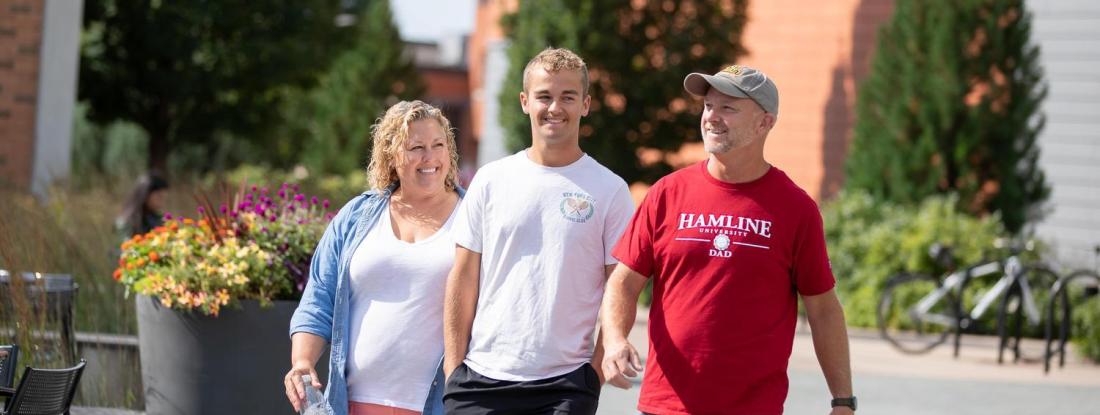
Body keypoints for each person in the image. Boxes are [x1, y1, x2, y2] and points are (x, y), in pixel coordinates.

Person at [600, 65, 856, 414]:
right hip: (666, 405)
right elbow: (623, 283)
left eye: (728, 108)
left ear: (765, 122)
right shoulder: (666, 194)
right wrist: (614, 340)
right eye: (708, 106)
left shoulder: (796, 209)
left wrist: (842, 400)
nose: (712, 117)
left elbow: (824, 310)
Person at [442, 48, 634, 414]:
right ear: (525, 101)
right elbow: (463, 276)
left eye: (568, 97)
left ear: (586, 104)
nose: (555, 107)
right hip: (479, 380)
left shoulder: (610, 191)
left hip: (564, 387)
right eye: (544, 96)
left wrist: (593, 375)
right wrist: (453, 369)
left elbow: (620, 287)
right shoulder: (491, 180)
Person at [286, 100, 463, 415]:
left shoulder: (474, 218)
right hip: (351, 404)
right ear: (391, 155)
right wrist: (302, 363)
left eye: (438, 145)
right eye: (416, 147)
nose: (430, 157)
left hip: (440, 406)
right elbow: (318, 299)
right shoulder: (357, 216)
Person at [116, 172, 169, 238]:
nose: (162, 201)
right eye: (159, 196)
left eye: (164, 197)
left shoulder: (159, 219)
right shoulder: (125, 223)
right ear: (145, 195)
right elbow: (122, 246)